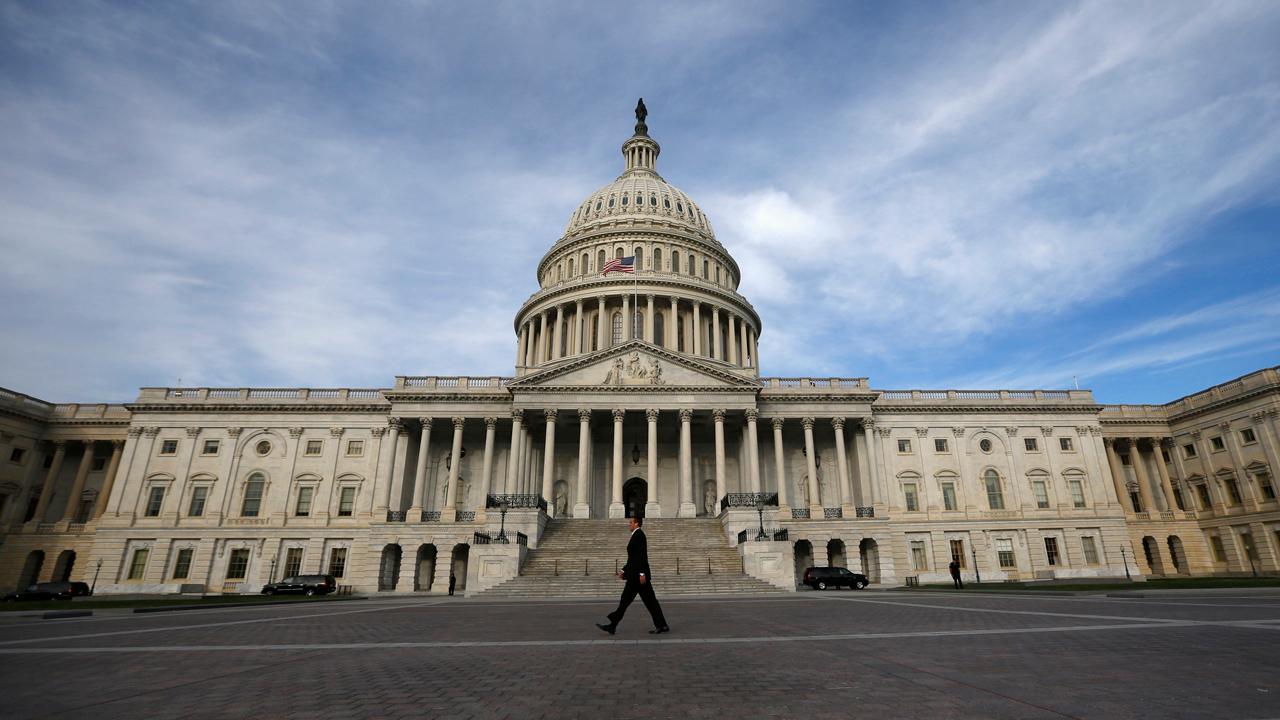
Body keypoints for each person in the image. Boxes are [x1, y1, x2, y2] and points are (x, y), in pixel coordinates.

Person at [597, 516, 669, 635]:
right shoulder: (636, 535)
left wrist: (641, 573)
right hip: (635, 576)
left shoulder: (639, 535)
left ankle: (612, 624)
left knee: (626, 601)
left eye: (631, 522)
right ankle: (662, 625)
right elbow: (633, 558)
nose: (629, 524)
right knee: (650, 602)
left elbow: (641, 556)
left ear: (637, 524)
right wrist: (624, 570)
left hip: (637, 578)